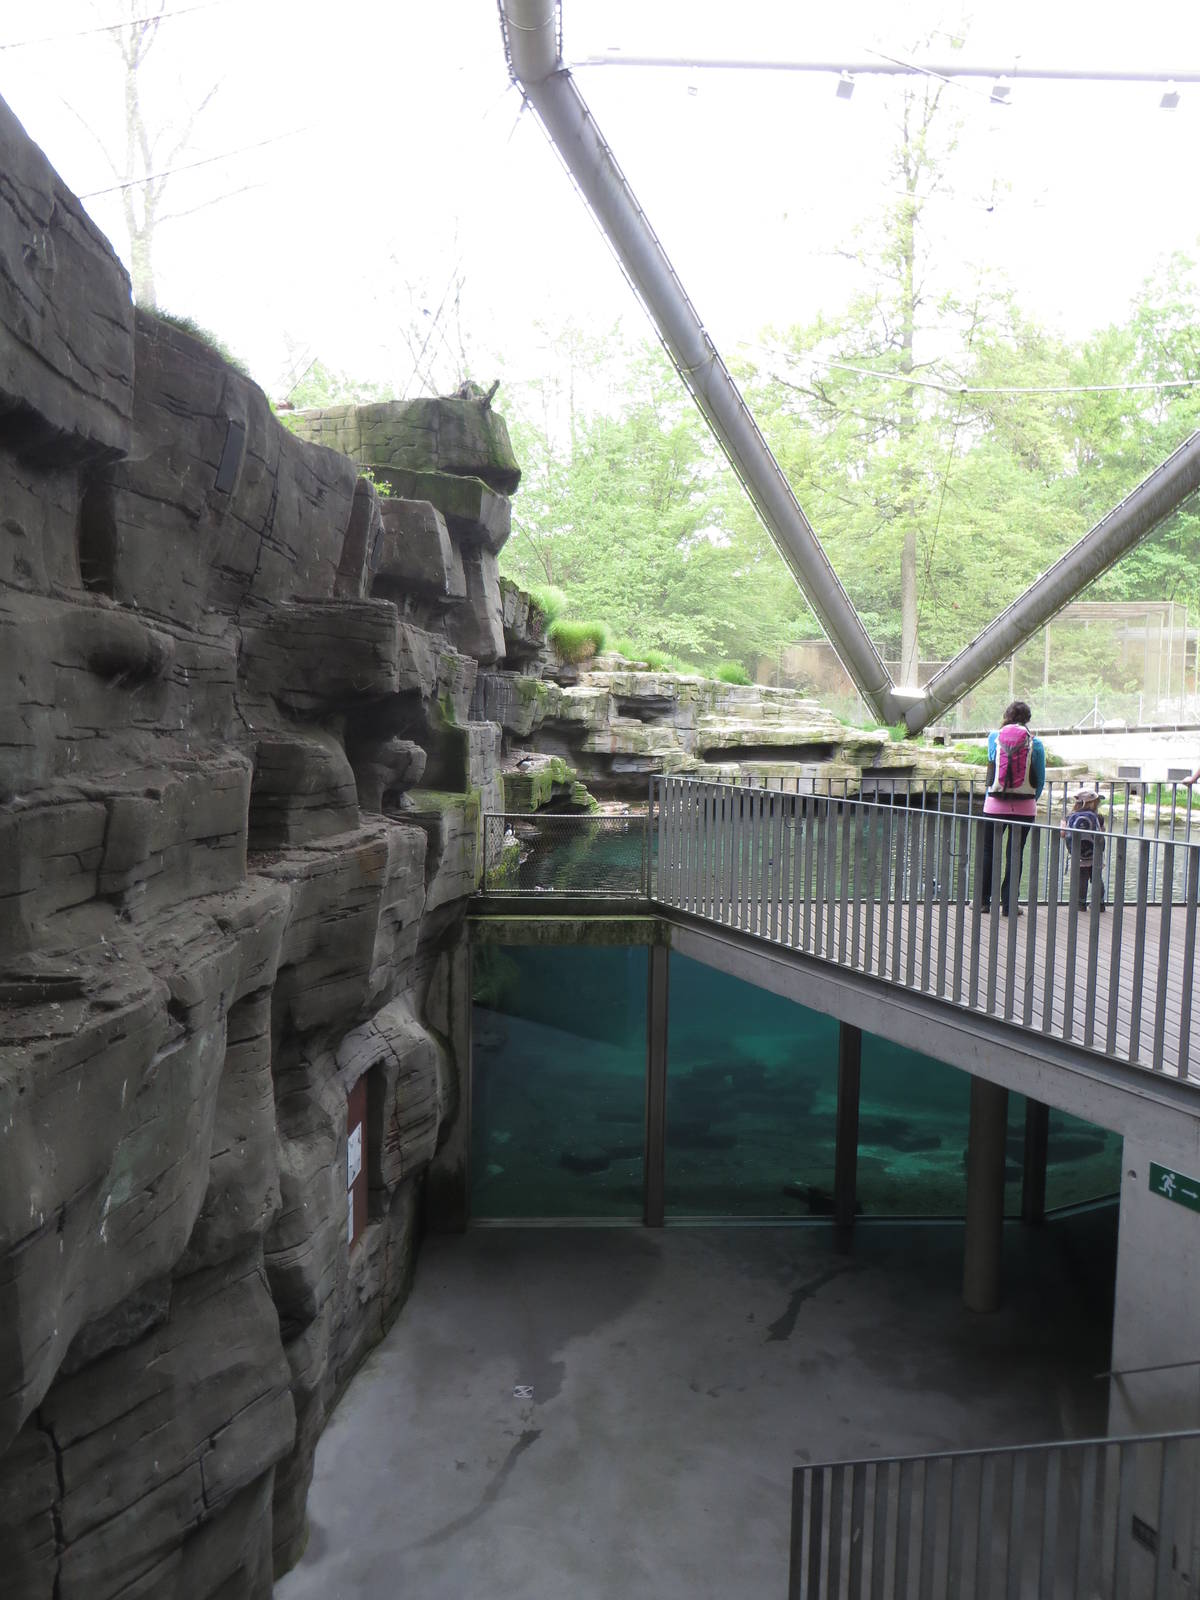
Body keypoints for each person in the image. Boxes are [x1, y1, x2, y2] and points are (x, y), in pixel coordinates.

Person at [979, 700, 1046, 916]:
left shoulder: (994, 737)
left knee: (989, 850)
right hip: (1025, 809)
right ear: (1027, 719)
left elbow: (992, 764)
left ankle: (982, 901)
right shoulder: (1035, 743)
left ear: (1006, 715)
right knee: (1014, 854)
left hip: (994, 806)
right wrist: (1028, 799)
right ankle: (1009, 905)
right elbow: (1041, 779)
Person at [1061, 788, 1106, 910]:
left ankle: (1080, 904)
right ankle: (1099, 904)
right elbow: (1102, 832)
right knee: (1096, 877)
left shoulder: (1069, 816)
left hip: (1077, 854)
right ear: (1092, 803)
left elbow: (1062, 833)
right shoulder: (1098, 816)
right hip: (1095, 853)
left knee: (1081, 878)